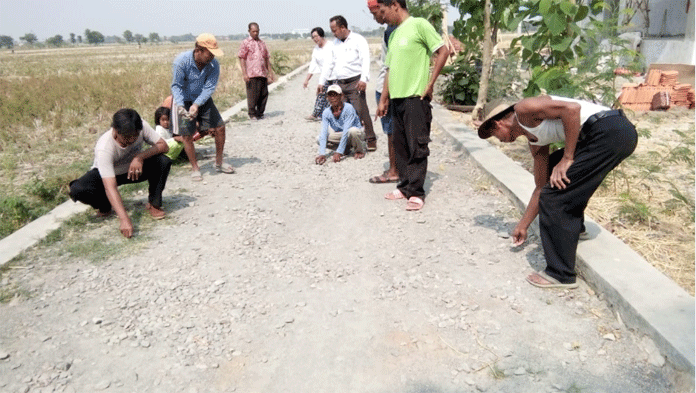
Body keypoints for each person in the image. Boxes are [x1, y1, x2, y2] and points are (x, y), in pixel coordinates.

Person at [477, 95, 638, 289]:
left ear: (498, 124)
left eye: (496, 137)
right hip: (603, 135)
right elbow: (540, 186)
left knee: (554, 198)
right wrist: (523, 224)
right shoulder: (536, 142)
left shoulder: (524, 109)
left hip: (609, 131)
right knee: (553, 170)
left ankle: (561, 274)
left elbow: (572, 109)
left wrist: (568, 158)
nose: (501, 141)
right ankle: (574, 229)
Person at [376, 0, 449, 211]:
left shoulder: (419, 25)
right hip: (397, 98)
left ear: (395, 5)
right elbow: (389, 68)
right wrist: (383, 99)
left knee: (416, 145)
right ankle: (405, 186)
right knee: (400, 145)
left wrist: (430, 83)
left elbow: (442, 51)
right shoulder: (395, 33)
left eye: (383, 11)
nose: (382, 16)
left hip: (415, 98)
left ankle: (416, 192)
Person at [68, 109, 172, 238]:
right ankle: (105, 206)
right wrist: (124, 219)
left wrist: (139, 157)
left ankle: (154, 204)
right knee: (78, 189)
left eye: (135, 136)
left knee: (163, 161)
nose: (132, 140)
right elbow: (110, 186)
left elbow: (164, 146)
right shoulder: (104, 147)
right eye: (127, 138)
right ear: (115, 131)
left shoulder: (141, 125)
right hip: (109, 175)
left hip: (134, 170)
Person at [171, 33, 234, 181]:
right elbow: (176, 86)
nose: (212, 57)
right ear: (198, 50)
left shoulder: (213, 65)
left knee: (219, 127)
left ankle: (219, 162)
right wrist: (181, 106)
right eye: (209, 53)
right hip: (184, 100)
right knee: (186, 134)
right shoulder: (181, 62)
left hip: (203, 99)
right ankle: (195, 168)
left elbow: (209, 87)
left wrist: (197, 104)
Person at [318, 15, 377, 151]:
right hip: (340, 84)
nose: (333, 33)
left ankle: (370, 139)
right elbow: (329, 64)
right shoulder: (334, 44)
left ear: (343, 27)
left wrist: (364, 79)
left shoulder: (358, 40)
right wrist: (322, 81)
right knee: (342, 113)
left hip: (355, 82)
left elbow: (365, 60)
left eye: (335, 30)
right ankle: (347, 141)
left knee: (361, 111)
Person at [367, 0, 398, 184]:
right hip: (387, 88)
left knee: (391, 131)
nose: (376, 17)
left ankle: (394, 171)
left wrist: (383, 97)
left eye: (375, 13)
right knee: (393, 130)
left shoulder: (392, 31)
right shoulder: (392, 30)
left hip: (386, 88)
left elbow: (390, 68)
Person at [315, 85, 366, 165]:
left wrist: (339, 151)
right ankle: (346, 148)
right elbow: (324, 131)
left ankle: (359, 150)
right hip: (341, 134)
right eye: (330, 95)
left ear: (341, 96)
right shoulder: (326, 112)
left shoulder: (348, 108)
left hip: (353, 133)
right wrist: (322, 154)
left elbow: (346, 130)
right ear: (327, 97)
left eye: (335, 95)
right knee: (319, 138)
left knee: (353, 131)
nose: (333, 98)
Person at [238, 22, 275, 120]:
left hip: (262, 73)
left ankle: (260, 113)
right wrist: (244, 74)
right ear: (249, 31)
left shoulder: (262, 43)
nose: (255, 33)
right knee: (252, 95)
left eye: (257, 31)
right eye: (253, 31)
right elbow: (242, 58)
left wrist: (270, 73)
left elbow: (266, 58)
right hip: (251, 74)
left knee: (263, 94)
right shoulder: (245, 42)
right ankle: (252, 114)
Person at [303, 27, 332, 122]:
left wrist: (321, 81)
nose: (315, 39)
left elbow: (328, 65)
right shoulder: (316, 49)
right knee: (321, 93)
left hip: (334, 75)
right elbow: (313, 65)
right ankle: (317, 114)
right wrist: (307, 79)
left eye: (316, 36)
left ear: (321, 35)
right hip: (324, 76)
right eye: (313, 37)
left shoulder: (330, 46)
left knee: (331, 95)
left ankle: (327, 115)